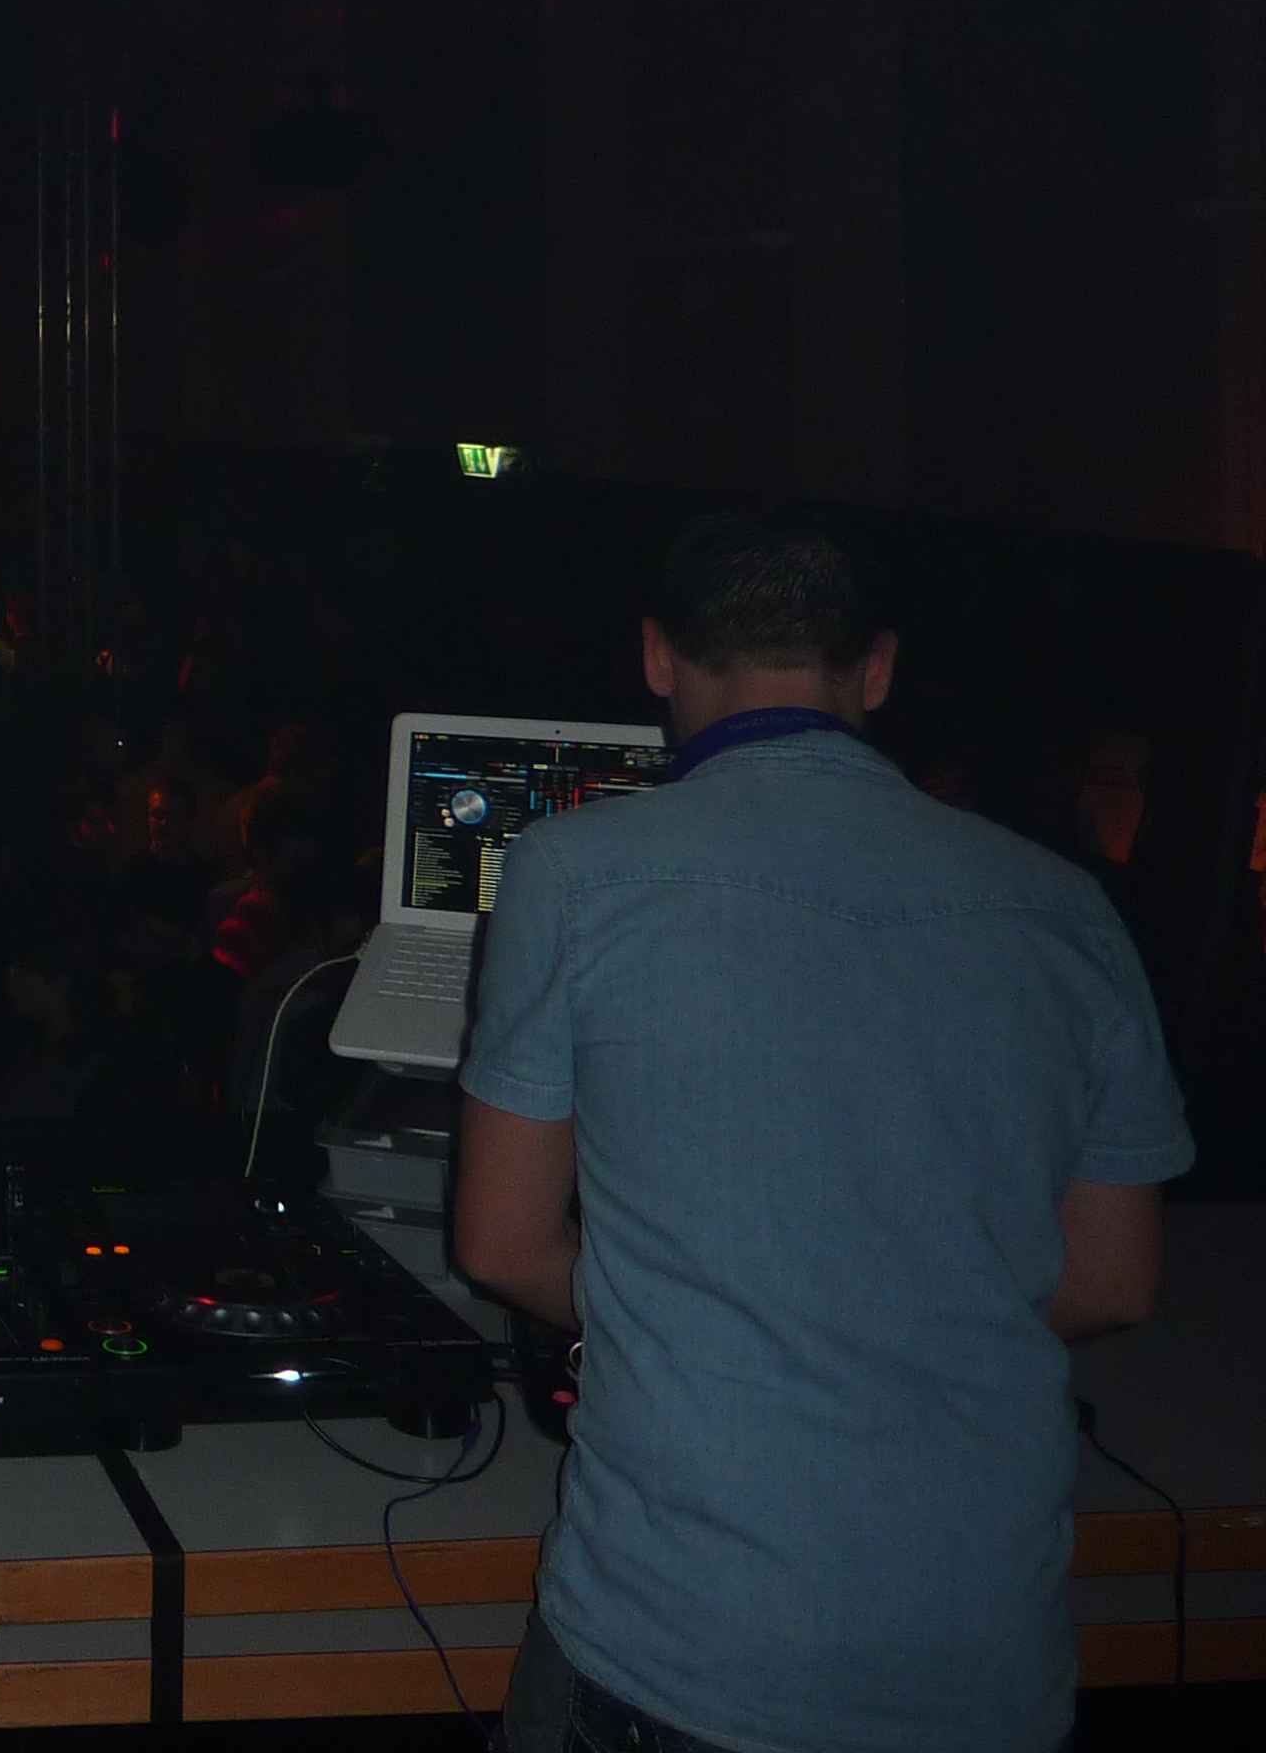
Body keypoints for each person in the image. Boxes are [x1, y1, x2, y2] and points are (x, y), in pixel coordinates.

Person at [451, 509, 1190, 1753]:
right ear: (877, 670)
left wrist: (693, 1316)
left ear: (658, 656)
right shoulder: (1068, 908)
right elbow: (1115, 1281)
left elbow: (502, 1246)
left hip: (681, 1645)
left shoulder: (575, 873)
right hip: (985, 1656)